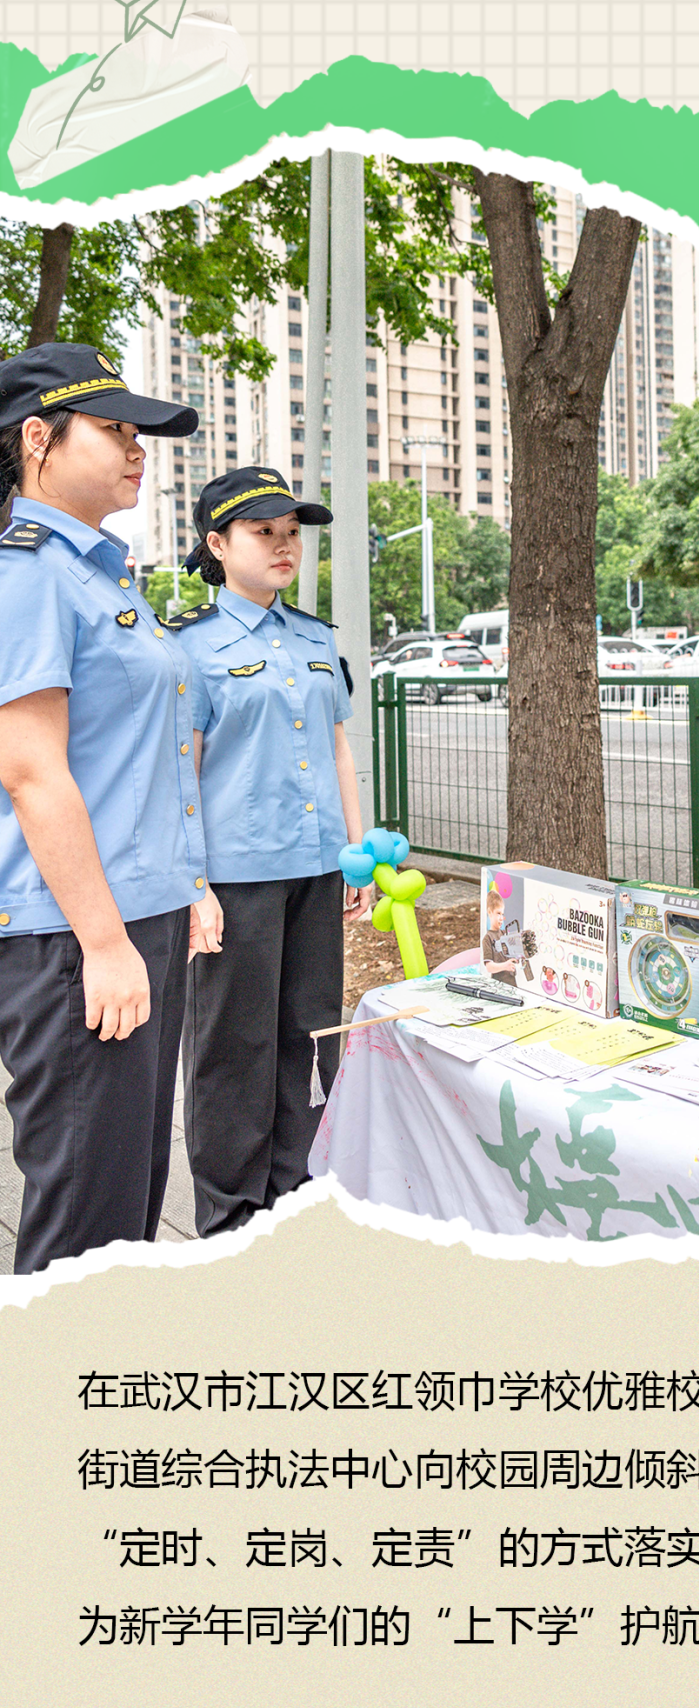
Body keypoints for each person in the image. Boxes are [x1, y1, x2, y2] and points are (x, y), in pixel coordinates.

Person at [0, 342, 219, 1273]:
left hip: (138, 915)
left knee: (126, 1199)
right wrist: (102, 942)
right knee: (86, 1224)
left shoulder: (101, 572)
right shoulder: (28, 574)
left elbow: (136, 761)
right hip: (76, 933)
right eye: (115, 430)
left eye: (141, 435)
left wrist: (186, 885)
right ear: (38, 439)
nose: (138, 450)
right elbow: (31, 771)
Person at [174, 466, 369, 1235]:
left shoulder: (316, 638)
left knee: (308, 1036)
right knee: (233, 1050)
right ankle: (229, 1217)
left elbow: (338, 749)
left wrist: (356, 854)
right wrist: (194, 884)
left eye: (291, 533)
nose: (284, 545)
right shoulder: (190, 647)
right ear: (218, 545)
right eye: (264, 532)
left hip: (316, 871)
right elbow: (180, 771)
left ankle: (293, 1198)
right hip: (236, 881)